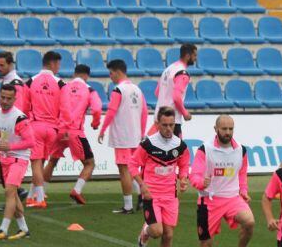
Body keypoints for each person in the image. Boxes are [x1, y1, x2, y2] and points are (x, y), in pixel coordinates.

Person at [189, 115, 255, 247]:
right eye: (224, 129)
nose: (227, 132)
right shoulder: (205, 149)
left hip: (232, 198)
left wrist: (243, 191)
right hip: (209, 202)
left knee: (250, 222)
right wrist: (201, 182)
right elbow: (194, 174)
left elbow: (242, 173)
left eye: (230, 129)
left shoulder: (240, 150)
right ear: (215, 129)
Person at [130, 107, 190, 247]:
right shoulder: (147, 144)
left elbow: (184, 164)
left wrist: (183, 179)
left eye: (171, 125)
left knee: (169, 235)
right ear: (157, 124)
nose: (168, 129)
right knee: (157, 231)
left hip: (170, 196)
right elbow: (132, 165)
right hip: (151, 195)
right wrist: (142, 185)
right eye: (164, 125)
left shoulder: (180, 145)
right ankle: (146, 231)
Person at [98, 59, 148, 214]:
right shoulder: (137, 89)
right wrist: (141, 132)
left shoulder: (118, 90)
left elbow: (111, 111)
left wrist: (102, 129)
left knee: (124, 169)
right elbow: (144, 112)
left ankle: (128, 205)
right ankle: (141, 195)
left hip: (122, 136)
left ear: (118, 72)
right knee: (133, 168)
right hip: (135, 135)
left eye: (111, 73)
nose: (110, 76)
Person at [0, 84, 35, 241]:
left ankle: (3, 229)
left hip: (19, 159)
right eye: (2, 97)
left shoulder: (19, 117)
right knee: (13, 195)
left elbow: (31, 142)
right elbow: (1, 136)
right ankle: (24, 229)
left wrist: (10, 146)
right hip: (6, 159)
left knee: (9, 192)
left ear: (15, 99)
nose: (5, 101)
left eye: (9, 98)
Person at [51, 64, 102, 205]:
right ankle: (77, 190)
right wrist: (95, 123)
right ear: (86, 75)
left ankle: (37, 194)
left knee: (52, 160)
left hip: (60, 129)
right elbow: (97, 109)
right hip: (75, 131)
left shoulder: (65, 87)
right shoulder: (89, 89)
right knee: (90, 163)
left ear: (75, 74)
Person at [0, 51, 30, 202]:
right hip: (2, 131)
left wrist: (2, 135)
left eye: (2, 65)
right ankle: (17, 192)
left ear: (10, 64)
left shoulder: (15, 83)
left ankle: (13, 194)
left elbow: (13, 112)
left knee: (1, 164)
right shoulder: (8, 80)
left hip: (8, 132)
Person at [25, 51, 64, 209]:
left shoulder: (30, 81)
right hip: (53, 129)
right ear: (53, 63)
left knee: (36, 164)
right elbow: (65, 106)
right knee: (41, 162)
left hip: (36, 126)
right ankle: (30, 196)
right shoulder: (61, 83)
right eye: (58, 64)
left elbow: (24, 105)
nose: (58, 68)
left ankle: (39, 198)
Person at [151, 44, 197, 138]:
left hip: (159, 117)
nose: (195, 58)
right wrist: (185, 113)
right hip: (171, 121)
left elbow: (157, 92)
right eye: (194, 55)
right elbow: (176, 97)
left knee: (157, 150)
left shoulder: (168, 69)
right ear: (188, 56)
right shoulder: (182, 73)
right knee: (177, 151)